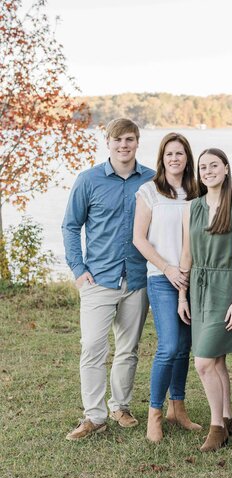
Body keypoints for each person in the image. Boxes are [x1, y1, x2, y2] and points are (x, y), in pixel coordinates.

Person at [62, 118, 154, 441]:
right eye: (118, 140)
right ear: (108, 142)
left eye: (129, 139)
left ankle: (121, 406)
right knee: (92, 348)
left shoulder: (152, 181)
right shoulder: (88, 180)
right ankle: (94, 416)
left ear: (137, 142)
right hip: (98, 279)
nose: (123, 145)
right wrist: (78, 270)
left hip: (138, 279)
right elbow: (70, 226)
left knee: (128, 348)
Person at [179, 148, 232, 452]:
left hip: (225, 287)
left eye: (213, 166)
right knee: (217, 359)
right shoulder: (191, 208)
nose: (208, 171)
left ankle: (216, 427)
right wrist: (182, 295)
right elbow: (187, 253)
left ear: (225, 169)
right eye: (203, 167)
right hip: (198, 287)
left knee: (203, 362)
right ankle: (228, 417)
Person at [133, 132, 202, 443]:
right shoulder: (149, 192)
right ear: (161, 159)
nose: (175, 159)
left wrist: (187, 273)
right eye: (169, 154)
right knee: (169, 346)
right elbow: (139, 239)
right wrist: (167, 268)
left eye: (180, 153)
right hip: (161, 279)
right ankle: (155, 413)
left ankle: (178, 408)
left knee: (185, 347)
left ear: (188, 158)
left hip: (192, 279)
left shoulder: (197, 192)